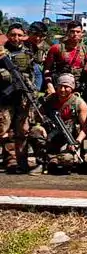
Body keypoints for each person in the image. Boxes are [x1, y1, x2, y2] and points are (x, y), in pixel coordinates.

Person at [28, 73, 87, 175]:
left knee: (67, 160)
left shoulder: (79, 103)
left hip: (67, 139)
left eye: (66, 87)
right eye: (60, 86)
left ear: (72, 88)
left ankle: (53, 161)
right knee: (35, 131)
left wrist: (77, 142)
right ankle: (41, 163)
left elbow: (85, 128)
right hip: (50, 135)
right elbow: (37, 116)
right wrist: (40, 125)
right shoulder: (49, 100)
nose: (63, 90)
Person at [0, 24, 36, 172]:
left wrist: (30, 85)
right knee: (4, 130)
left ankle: (21, 160)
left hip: (22, 97)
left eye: (19, 35)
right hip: (4, 97)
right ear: (8, 35)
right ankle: (10, 160)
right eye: (13, 35)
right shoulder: (2, 52)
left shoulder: (28, 52)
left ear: (24, 36)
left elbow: (33, 72)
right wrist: (5, 74)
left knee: (22, 130)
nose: (16, 38)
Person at [43, 20, 87, 95]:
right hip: (61, 88)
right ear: (67, 32)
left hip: (79, 88)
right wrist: (50, 86)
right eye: (72, 31)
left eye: (78, 32)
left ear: (82, 33)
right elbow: (47, 69)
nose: (75, 34)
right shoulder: (56, 48)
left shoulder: (85, 49)